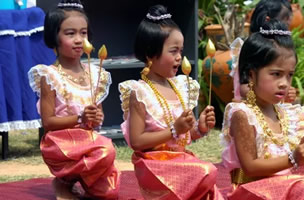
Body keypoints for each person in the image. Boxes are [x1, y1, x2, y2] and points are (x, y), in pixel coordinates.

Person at [221, 19, 304, 200]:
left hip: (280, 188)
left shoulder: (283, 112)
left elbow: (288, 160)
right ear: (251, 74)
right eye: (276, 74)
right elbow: (250, 167)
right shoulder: (243, 114)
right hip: (251, 191)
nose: (284, 83)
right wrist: (293, 158)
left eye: (289, 75)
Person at [119, 4, 223, 200]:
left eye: (181, 51)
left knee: (209, 188)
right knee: (206, 171)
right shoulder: (140, 92)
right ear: (150, 54)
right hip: (153, 165)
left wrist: (199, 129)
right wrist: (174, 129)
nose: (179, 57)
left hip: (179, 160)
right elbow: (137, 142)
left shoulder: (181, 87)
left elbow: (183, 138)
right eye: (173, 51)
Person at [28, 0, 120, 199]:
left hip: (89, 143)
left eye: (83, 33)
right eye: (70, 34)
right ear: (54, 38)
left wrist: (95, 117)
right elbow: (48, 123)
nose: (79, 39)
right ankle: (65, 180)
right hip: (60, 143)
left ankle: (83, 180)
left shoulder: (95, 74)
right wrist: (80, 118)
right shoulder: (49, 76)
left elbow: (98, 118)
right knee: (106, 149)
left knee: (110, 193)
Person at [231, 0, 296, 102]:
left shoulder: (285, 50)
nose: (282, 30)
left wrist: (286, 94)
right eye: (276, 74)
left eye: (290, 75)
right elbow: (242, 88)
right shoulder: (251, 49)